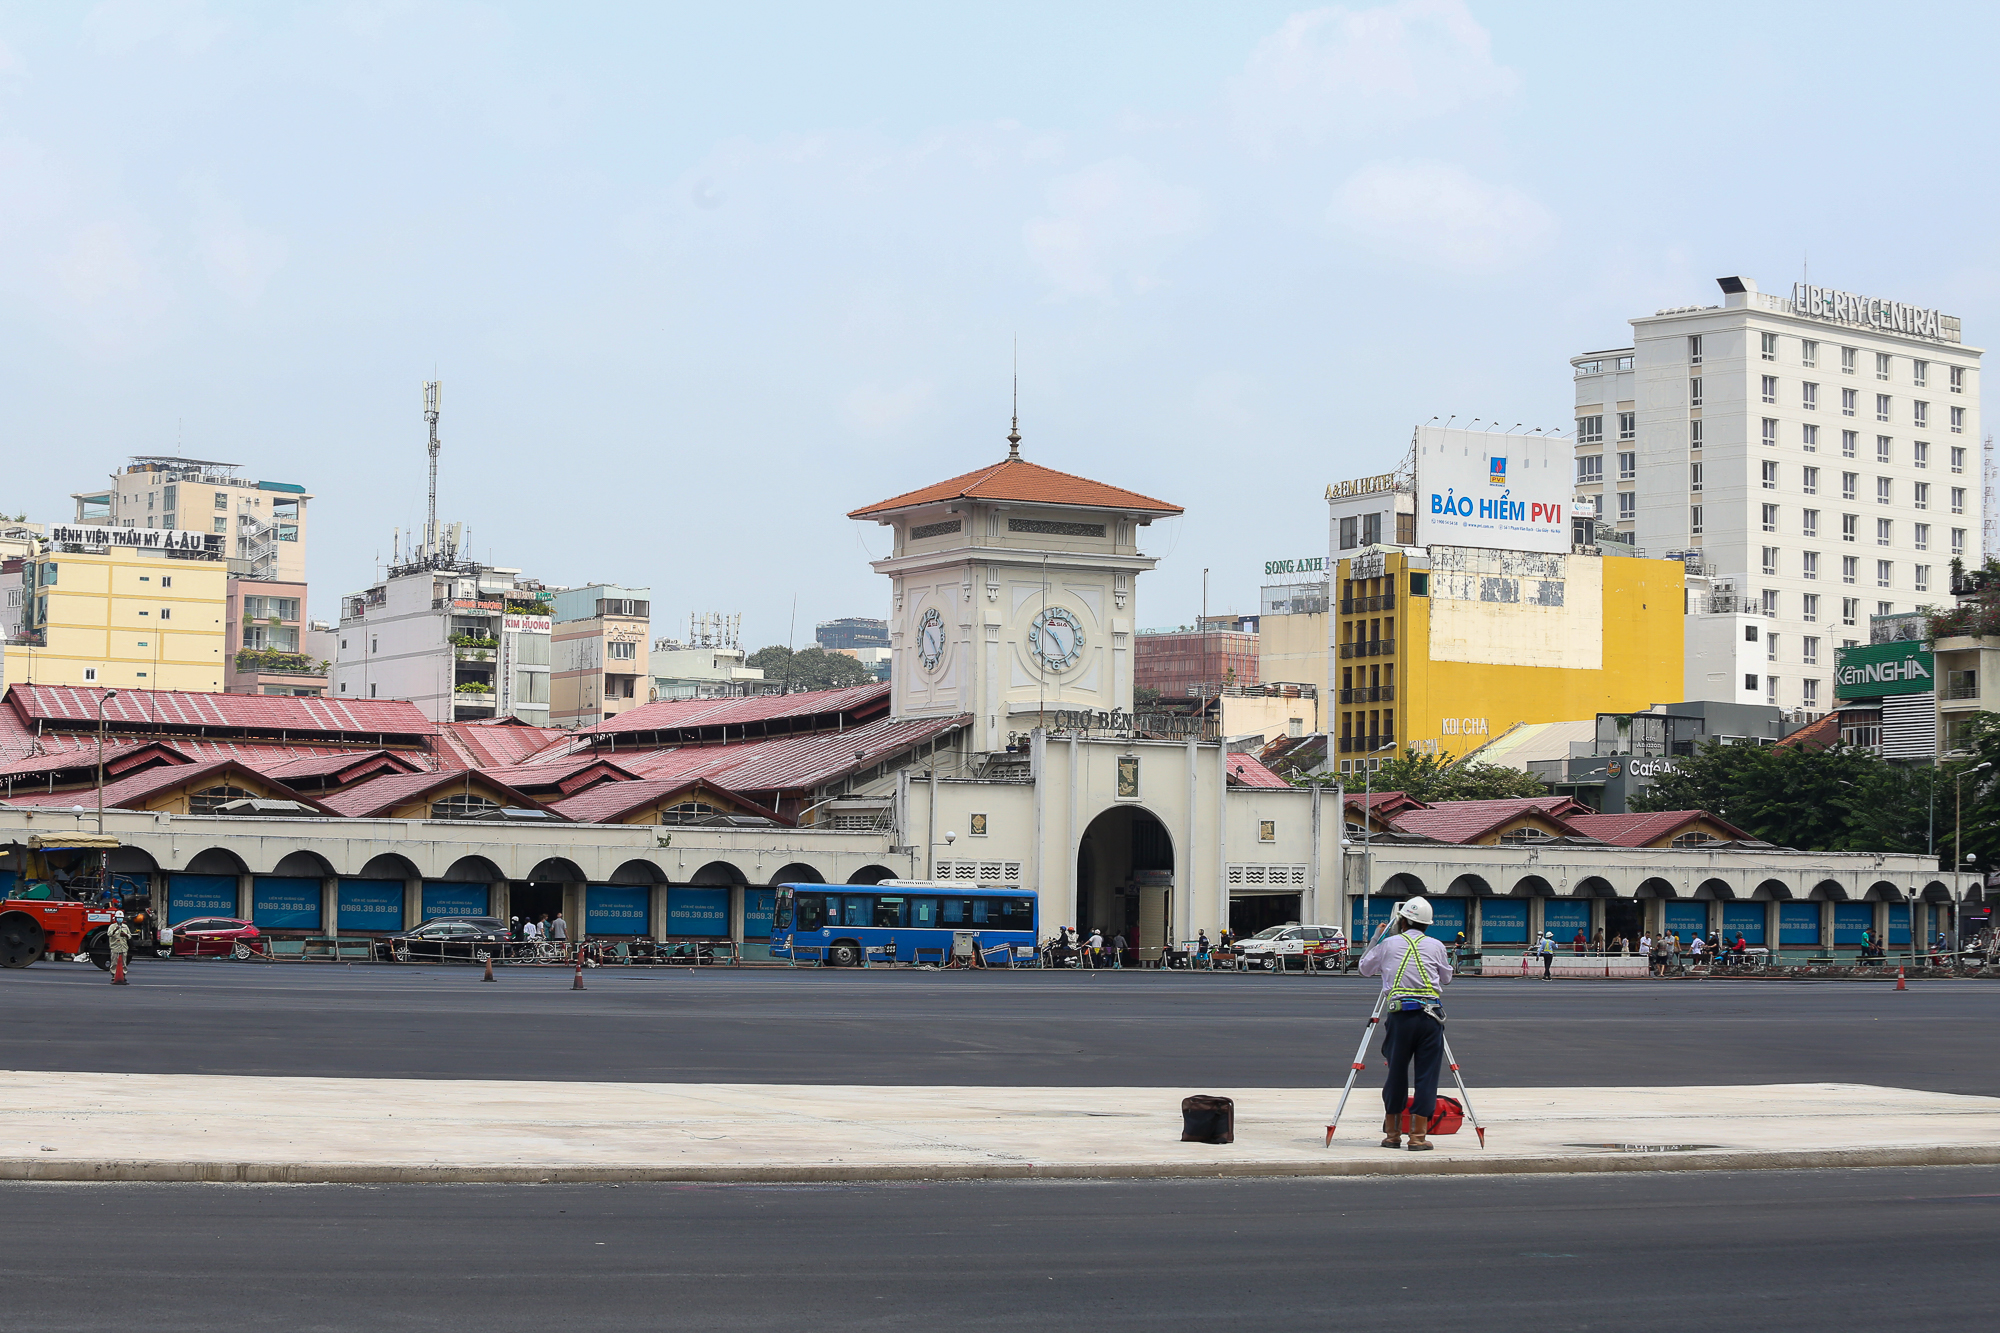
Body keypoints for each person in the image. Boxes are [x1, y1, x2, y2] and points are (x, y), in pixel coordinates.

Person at [1358, 897, 1454, 1151]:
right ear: (1426, 924)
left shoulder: (1389, 943)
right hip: (1430, 1018)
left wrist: (1376, 940)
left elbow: (1364, 969)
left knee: (1396, 1074)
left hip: (1400, 1017)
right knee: (1427, 1076)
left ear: (1402, 920)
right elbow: (1446, 977)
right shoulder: (1436, 946)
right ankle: (1418, 1137)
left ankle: (1392, 1134)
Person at [107, 910, 131, 984]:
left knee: (123, 962)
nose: (120, 919)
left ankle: (123, 975)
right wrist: (115, 930)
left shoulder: (125, 927)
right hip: (115, 947)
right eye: (118, 917)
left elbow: (130, 936)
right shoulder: (112, 926)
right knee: (114, 962)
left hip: (123, 947)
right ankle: (114, 975)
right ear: (116, 918)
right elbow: (109, 934)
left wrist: (126, 935)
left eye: (121, 918)